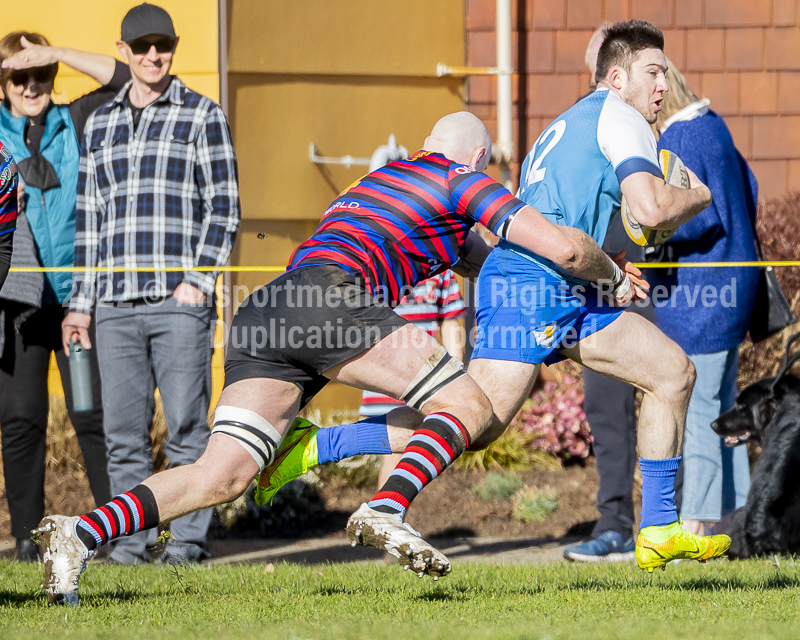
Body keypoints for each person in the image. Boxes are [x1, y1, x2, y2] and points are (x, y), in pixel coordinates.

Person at [38, 107, 638, 604]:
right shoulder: (460, 180)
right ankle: (386, 506)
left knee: (221, 475)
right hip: (333, 299)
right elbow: (558, 248)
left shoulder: (378, 183)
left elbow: (491, 270)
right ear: (477, 159)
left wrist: (537, 312)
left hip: (269, 310)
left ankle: (78, 533)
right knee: (467, 405)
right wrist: (611, 278)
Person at [255, 20, 731, 575]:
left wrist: (613, 260)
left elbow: (585, 219)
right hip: (534, 287)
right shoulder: (622, 116)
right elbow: (650, 208)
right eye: (654, 72)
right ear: (617, 77)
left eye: (665, 75)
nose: (662, 86)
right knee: (475, 424)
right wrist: (694, 197)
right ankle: (321, 454)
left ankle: (659, 530)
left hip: (558, 283)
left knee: (671, 372)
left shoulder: (569, 122)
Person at [57, 3, 240, 567]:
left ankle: (186, 544)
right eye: (141, 48)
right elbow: (89, 221)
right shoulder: (102, 123)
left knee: (188, 430)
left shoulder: (203, 114)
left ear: (174, 47)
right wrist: (80, 306)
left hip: (178, 303)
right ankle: (132, 548)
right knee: (123, 438)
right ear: (124, 52)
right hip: (112, 306)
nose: (153, 56)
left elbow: (225, 207)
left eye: (162, 45)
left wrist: (197, 280)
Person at [0, 32, 128, 562]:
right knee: (21, 419)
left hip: (79, 303)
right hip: (18, 304)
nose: (33, 85)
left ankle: (115, 539)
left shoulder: (76, 121)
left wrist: (58, 54)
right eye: (19, 76)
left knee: (90, 413)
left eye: (42, 75)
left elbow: (123, 81)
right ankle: (30, 541)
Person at [648, 60, 758, 536]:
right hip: (735, 284)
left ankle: (697, 524)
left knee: (698, 412)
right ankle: (739, 520)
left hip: (699, 295)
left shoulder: (678, 137)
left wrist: (645, 233)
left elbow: (691, 217)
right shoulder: (713, 124)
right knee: (724, 407)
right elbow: (749, 188)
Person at [562, 24, 658, 563]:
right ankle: (616, 523)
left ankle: (667, 522)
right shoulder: (586, 118)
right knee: (607, 409)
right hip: (596, 287)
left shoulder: (643, 125)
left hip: (643, 284)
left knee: (669, 392)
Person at [358, 270, 465, 488]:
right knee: (397, 456)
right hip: (383, 376)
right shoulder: (374, 263)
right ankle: (383, 517)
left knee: (414, 459)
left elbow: (451, 323)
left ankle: (387, 516)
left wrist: (456, 376)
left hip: (427, 377)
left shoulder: (440, 268)